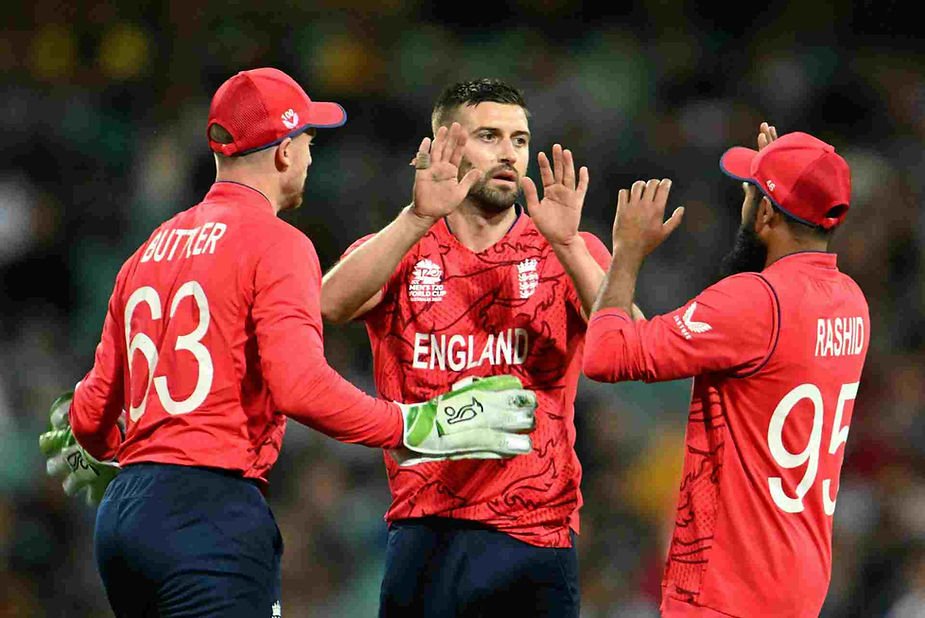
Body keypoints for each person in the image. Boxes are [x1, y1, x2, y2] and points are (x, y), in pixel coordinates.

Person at [37, 67, 540, 618]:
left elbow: (88, 420)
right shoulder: (278, 243)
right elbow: (300, 387)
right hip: (210, 510)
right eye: (307, 142)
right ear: (282, 153)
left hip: (124, 520)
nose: (308, 156)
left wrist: (121, 461)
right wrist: (413, 424)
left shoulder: (147, 251)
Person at [321, 78, 638, 617]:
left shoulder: (565, 246)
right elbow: (329, 304)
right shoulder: (404, 243)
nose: (509, 153)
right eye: (490, 136)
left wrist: (567, 245)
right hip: (425, 526)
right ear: (447, 143)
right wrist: (417, 216)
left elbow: (635, 347)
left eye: (519, 139)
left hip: (536, 534)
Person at [583, 123, 870, 617]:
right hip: (798, 579)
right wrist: (778, 182)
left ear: (763, 212)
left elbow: (605, 355)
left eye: (750, 194)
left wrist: (627, 252)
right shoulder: (851, 301)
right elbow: (734, 336)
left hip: (728, 587)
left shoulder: (754, 304)